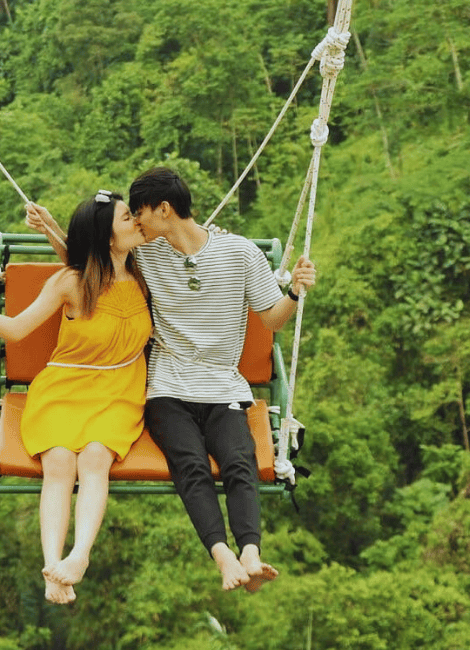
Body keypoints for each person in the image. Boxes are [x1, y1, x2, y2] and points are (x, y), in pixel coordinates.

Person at [26, 167, 317, 593]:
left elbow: (272, 317)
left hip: (224, 386)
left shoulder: (240, 254)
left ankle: (250, 554)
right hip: (165, 387)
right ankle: (223, 558)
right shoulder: (147, 252)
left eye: (138, 213)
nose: (136, 224)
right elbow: (92, 258)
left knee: (240, 462)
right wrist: (51, 227)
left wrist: (294, 292)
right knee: (191, 466)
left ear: (163, 210)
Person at [0, 191, 150, 605]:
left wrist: (53, 232)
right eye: (127, 218)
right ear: (106, 236)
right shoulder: (71, 283)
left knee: (95, 457)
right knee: (59, 462)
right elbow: (16, 329)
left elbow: (102, 258)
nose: (136, 221)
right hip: (63, 389)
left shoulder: (145, 270)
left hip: (118, 391)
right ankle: (53, 570)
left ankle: (79, 556)